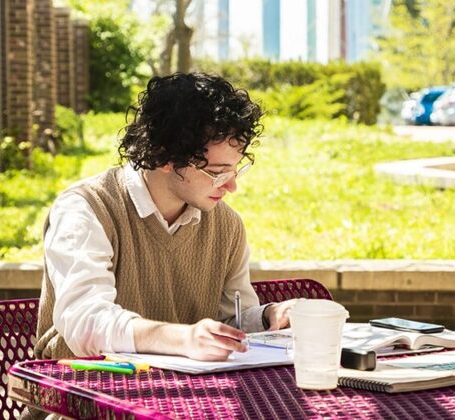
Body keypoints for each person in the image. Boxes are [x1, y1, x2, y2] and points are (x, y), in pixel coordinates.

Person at [33, 73, 300, 363]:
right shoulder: (87, 208)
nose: (231, 186)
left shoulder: (226, 225)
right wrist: (182, 339)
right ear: (165, 157)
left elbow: (229, 321)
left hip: (191, 398)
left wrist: (266, 317)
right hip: (80, 399)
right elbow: (86, 324)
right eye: (217, 172)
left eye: (235, 170)